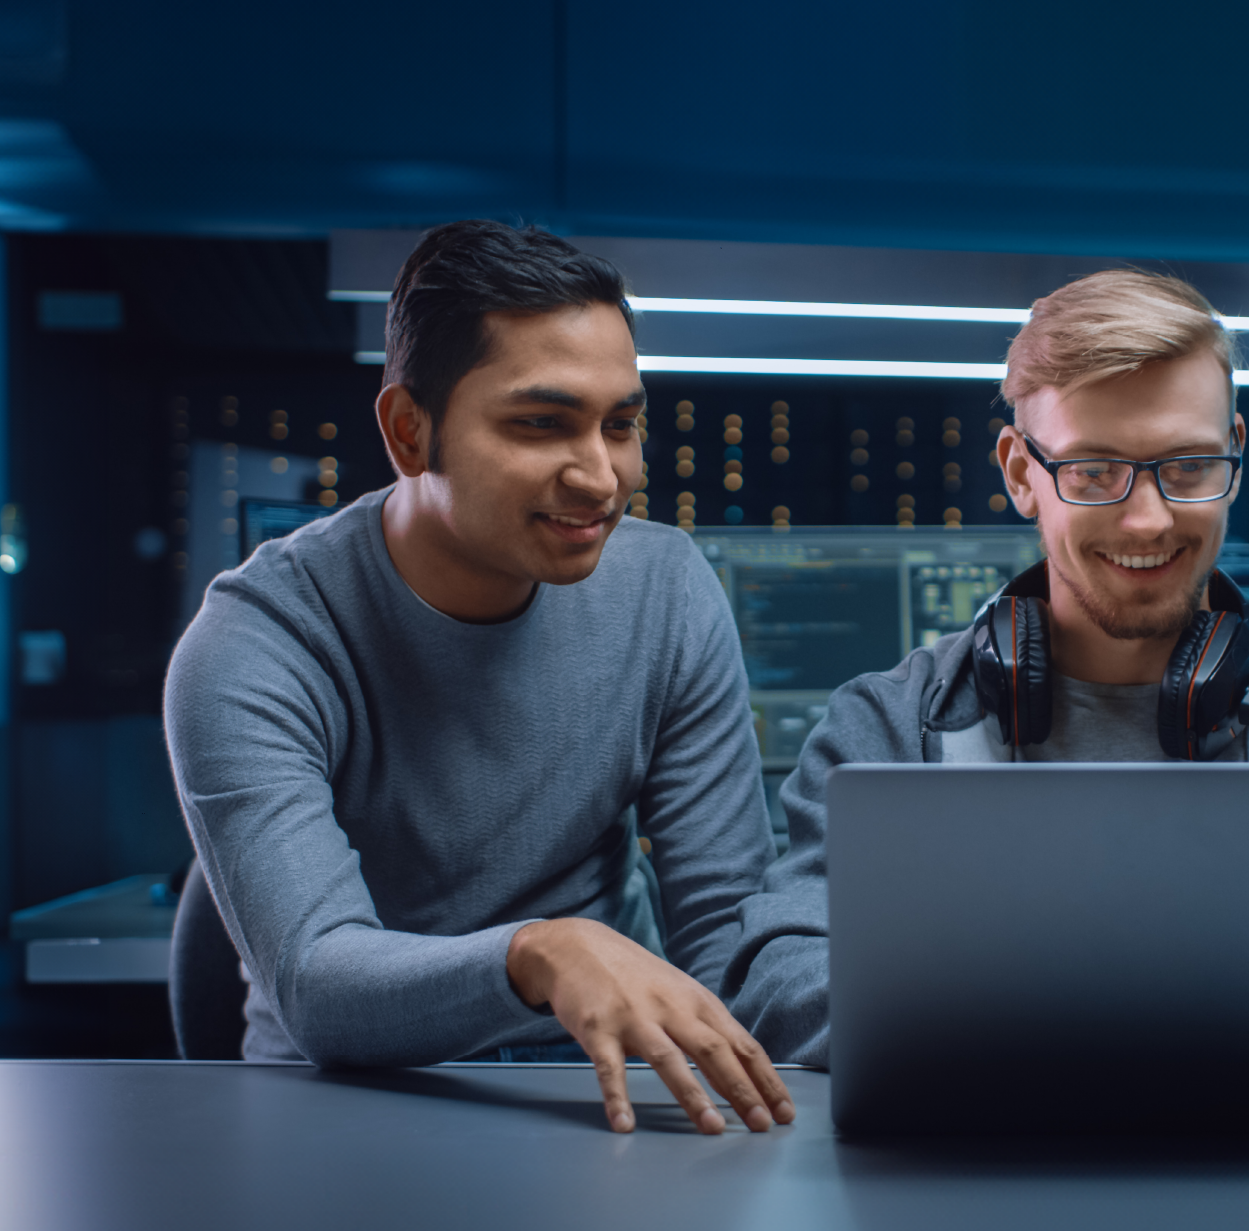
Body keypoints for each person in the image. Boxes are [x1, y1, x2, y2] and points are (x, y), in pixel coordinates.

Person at [726, 269, 1249, 1078]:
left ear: (1234, 453)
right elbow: (779, 972)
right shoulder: (888, 727)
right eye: (1094, 472)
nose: (1149, 518)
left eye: (1188, 467)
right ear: (1023, 474)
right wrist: (1049, 1038)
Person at [166, 221, 795, 1136]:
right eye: (541, 424)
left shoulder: (666, 591)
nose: (600, 476)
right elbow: (316, 983)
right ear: (409, 430)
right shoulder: (258, 640)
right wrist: (541, 956)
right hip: (335, 1107)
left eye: (620, 425)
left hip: (599, 1097)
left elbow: (725, 945)